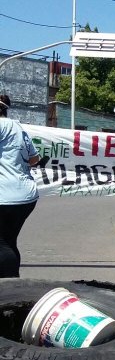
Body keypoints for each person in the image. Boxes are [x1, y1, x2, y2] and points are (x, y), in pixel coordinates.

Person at [0, 94, 40, 278]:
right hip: (24, 195)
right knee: (8, 241)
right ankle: (13, 287)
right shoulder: (18, 127)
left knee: (2, 243)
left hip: (6, 196)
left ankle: (10, 291)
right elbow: (34, 159)